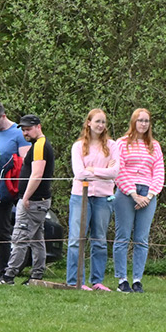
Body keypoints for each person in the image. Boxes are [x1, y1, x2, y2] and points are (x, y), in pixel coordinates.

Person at [111, 108, 165, 293]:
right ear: (133, 122)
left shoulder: (154, 146)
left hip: (148, 194)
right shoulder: (121, 143)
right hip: (126, 193)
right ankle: (122, 280)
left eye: (146, 121)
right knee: (123, 237)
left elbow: (159, 172)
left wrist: (148, 196)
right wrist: (133, 194)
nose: (143, 124)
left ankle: (137, 280)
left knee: (141, 239)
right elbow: (119, 169)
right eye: (140, 120)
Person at [0, 115, 53, 285]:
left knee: (20, 238)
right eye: (23, 130)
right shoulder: (38, 144)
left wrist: (26, 197)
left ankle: (9, 276)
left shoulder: (40, 145)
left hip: (34, 200)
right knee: (36, 239)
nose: (25, 133)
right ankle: (36, 275)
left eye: (28, 129)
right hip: (39, 200)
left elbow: (37, 174)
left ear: (38, 127)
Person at [66, 108, 119, 291]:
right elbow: (79, 173)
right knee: (76, 239)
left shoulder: (112, 146)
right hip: (80, 196)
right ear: (89, 123)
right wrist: (103, 171)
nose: (100, 125)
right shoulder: (78, 146)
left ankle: (97, 281)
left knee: (100, 240)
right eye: (97, 121)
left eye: (103, 122)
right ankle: (75, 281)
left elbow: (114, 172)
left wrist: (92, 171)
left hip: (104, 197)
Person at [0, 101, 28, 284]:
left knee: (2, 229)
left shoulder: (18, 133)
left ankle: (3, 270)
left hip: (5, 189)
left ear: (3, 116)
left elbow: (25, 163)